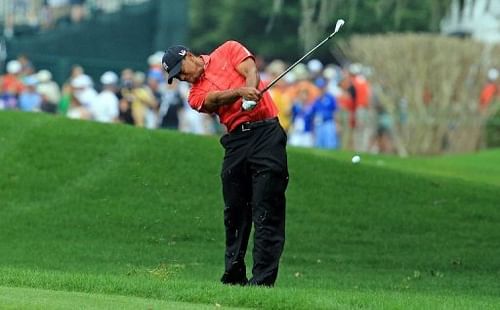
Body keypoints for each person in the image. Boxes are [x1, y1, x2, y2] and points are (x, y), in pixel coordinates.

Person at [162, 41, 289, 286]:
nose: (183, 78)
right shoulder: (194, 95)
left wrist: (251, 91)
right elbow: (213, 100)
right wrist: (241, 93)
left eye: (182, 70)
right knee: (235, 211)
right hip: (236, 142)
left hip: (266, 135)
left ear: (189, 55)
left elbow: (250, 71)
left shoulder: (228, 49)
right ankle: (234, 275)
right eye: (177, 77)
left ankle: (262, 281)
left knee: (266, 209)